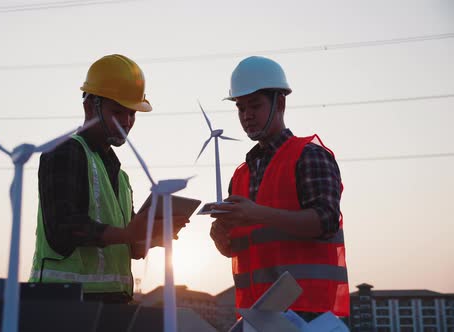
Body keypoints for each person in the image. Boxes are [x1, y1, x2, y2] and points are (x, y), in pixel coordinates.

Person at [30, 54, 188, 304]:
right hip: (62, 303)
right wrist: (129, 234)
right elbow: (62, 228)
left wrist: (152, 236)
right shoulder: (64, 152)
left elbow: (131, 248)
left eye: (132, 114)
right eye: (118, 112)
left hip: (112, 303)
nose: (126, 122)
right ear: (90, 106)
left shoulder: (120, 175)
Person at [209, 56, 349, 320]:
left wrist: (256, 214)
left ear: (280, 103)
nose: (247, 116)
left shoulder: (309, 156)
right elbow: (241, 248)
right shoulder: (241, 174)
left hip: (307, 314)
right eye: (240, 108)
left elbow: (326, 220)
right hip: (255, 315)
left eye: (255, 106)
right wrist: (221, 237)